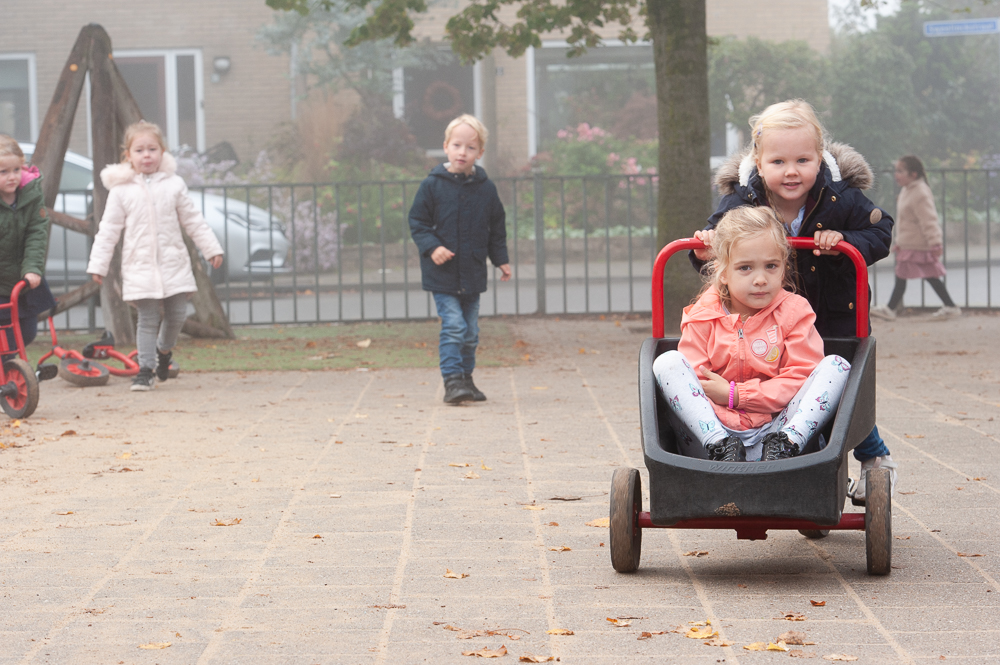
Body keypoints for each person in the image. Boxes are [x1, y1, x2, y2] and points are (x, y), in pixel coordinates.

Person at [691, 100, 896, 497]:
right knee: (778, 382)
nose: (791, 172)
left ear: (820, 158)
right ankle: (794, 456)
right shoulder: (742, 201)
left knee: (839, 386)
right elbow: (717, 238)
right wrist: (704, 247)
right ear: (758, 162)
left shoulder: (841, 198)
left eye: (803, 160)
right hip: (767, 317)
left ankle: (873, 457)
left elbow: (881, 231)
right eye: (778, 161)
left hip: (832, 315)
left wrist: (845, 240)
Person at [654, 206, 851, 462]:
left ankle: (788, 443)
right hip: (711, 435)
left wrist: (738, 395)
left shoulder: (794, 312)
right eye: (745, 268)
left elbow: (799, 377)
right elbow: (697, 382)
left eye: (771, 266)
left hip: (776, 429)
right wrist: (722, 420)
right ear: (723, 272)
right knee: (667, 362)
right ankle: (722, 446)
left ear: (784, 268)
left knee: (837, 365)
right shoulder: (704, 314)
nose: (760, 279)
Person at [87, 121, 223, 391]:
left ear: (162, 151)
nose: (146, 155)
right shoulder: (121, 190)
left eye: (152, 149)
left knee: (177, 315)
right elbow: (108, 229)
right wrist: (98, 265)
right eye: (139, 150)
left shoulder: (174, 185)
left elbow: (193, 220)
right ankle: (145, 370)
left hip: (174, 263)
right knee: (148, 319)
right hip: (140, 267)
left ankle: (164, 350)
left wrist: (211, 248)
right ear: (128, 155)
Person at [408, 114, 511, 404]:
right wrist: (432, 247)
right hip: (442, 274)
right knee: (454, 326)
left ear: (480, 152)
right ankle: (452, 381)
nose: (462, 152)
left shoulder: (486, 189)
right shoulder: (432, 185)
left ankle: (466, 379)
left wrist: (500, 259)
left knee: (471, 332)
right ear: (446, 147)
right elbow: (418, 222)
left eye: (470, 147)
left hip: (473, 272)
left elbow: (496, 228)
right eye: (456, 145)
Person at [871, 155, 960, 321]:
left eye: (900, 171)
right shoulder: (908, 190)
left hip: (918, 244)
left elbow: (929, 220)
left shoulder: (919, 192)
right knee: (922, 276)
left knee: (912, 275)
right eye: (896, 170)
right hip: (910, 244)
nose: (896, 174)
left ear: (913, 174)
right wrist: (900, 242)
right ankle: (950, 306)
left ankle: (891, 308)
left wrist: (935, 242)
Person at [0, 135, 56, 351]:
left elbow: (36, 232)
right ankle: (7, 368)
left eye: (16, 170)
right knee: (5, 339)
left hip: (21, 280)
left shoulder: (30, 194)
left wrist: (32, 268)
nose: (12, 177)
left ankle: (8, 367)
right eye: (3, 172)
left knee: (27, 332)